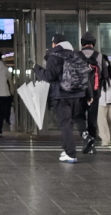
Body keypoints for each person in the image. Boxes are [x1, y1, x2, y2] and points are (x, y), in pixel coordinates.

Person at [34, 33, 92, 163]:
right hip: (77, 95)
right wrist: (89, 95)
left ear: (54, 44)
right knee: (69, 122)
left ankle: (70, 153)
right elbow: (86, 76)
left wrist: (37, 69)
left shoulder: (53, 56)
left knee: (65, 124)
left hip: (60, 96)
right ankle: (67, 149)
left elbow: (49, 76)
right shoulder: (76, 55)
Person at [78, 32, 108, 153]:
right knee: (92, 118)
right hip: (95, 93)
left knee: (79, 116)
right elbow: (105, 75)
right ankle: (92, 145)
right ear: (93, 44)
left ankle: (86, 137)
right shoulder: (99, 56)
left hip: (80, 92)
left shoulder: (77, 55)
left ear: (82, 43)